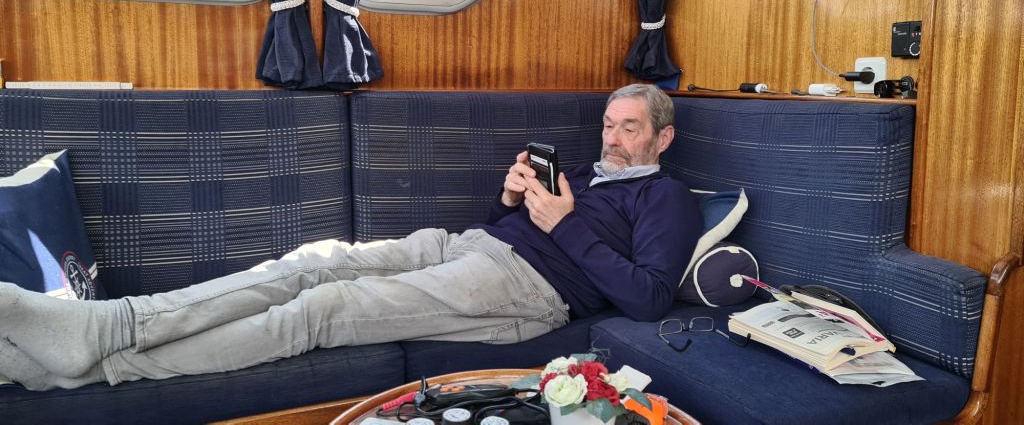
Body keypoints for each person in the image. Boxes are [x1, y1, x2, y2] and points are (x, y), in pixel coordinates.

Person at [0, 84, 702, 391]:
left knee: (322, 310)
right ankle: (110, 324)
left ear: (662, 138)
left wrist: (563, 224)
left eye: (629, 128)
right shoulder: (579, 172)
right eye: (608, 124)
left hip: (526, 292)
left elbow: (647, 298)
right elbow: (504, 230)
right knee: (315, 262)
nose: (613, 138)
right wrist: (512, 200)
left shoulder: (665, 197)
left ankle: (100, 364)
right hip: (466, 246)